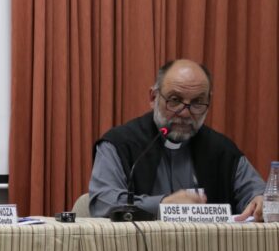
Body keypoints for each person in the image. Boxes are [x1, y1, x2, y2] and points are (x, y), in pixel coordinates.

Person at [89, 59, 264, 220]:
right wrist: (163, 205)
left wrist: (261, 200)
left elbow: (259, 194)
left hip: (206, 250)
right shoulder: (119, 144)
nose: (185, 112)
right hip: (138, 250)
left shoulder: (222, 151)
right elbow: (102, 202)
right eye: (174, 100)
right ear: (153, 97)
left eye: (197, 102)